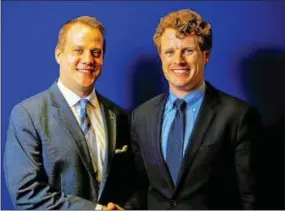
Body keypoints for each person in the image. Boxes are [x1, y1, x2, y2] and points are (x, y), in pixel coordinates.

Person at [130, 9, 262, 209]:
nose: (178, 61)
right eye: (170, 52)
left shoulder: (237, 116)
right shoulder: (141, 117)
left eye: (188, 51)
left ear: (205, 55)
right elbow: (139, 190)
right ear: (161, 56)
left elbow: (250, 198)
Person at [4, 16, 135, 210]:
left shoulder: (119, 117)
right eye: (78, 50)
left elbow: (132, 184)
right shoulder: (27, 115)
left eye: (96, 52)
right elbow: (26, 194)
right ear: (58, 54)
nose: (88, 60)